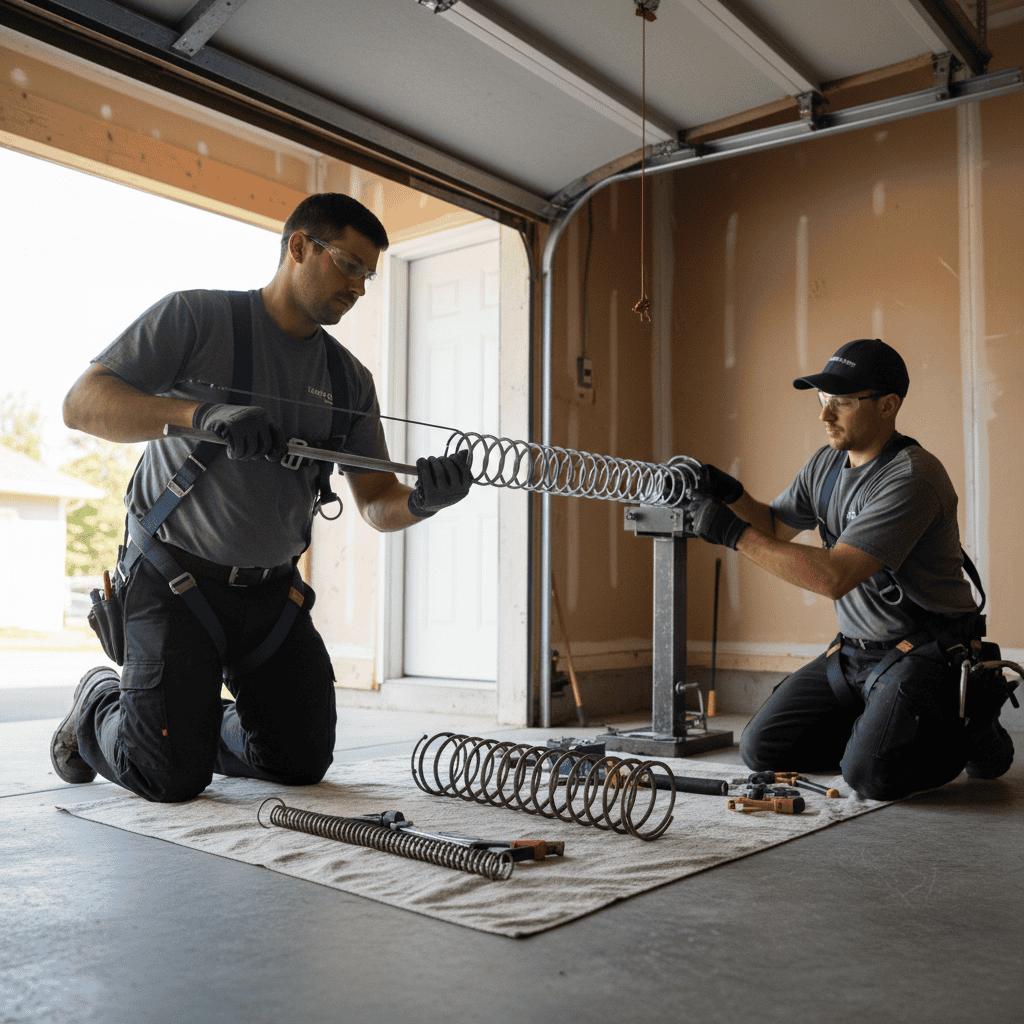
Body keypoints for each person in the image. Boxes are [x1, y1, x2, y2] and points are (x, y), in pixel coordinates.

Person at [51, 193, 472, 803]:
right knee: (166, 778)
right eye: (349, 265)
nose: (359, 288)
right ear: (299, 246)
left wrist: (425, 502)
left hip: (271, 595)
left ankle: (184, 725)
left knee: (297, 762)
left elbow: (379, 501)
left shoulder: (348, 379)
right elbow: (82, 404)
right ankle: (99, 703)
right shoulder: (195, 318)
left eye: (368, 274)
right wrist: (200, 415)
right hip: (174, 580)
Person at [686, 338, 1014, 799]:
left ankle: (974, 730)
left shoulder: (912, 477)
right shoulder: (826, 464)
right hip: (855, 655)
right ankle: (884, 728)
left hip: (929, 650)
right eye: (823, 400)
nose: (825, 415)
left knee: (869, 777)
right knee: (763, 750)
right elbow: (774, 526)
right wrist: (730, 493)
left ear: (888, 406)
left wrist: (732, 535)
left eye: (841, 402)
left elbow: (833, 577)